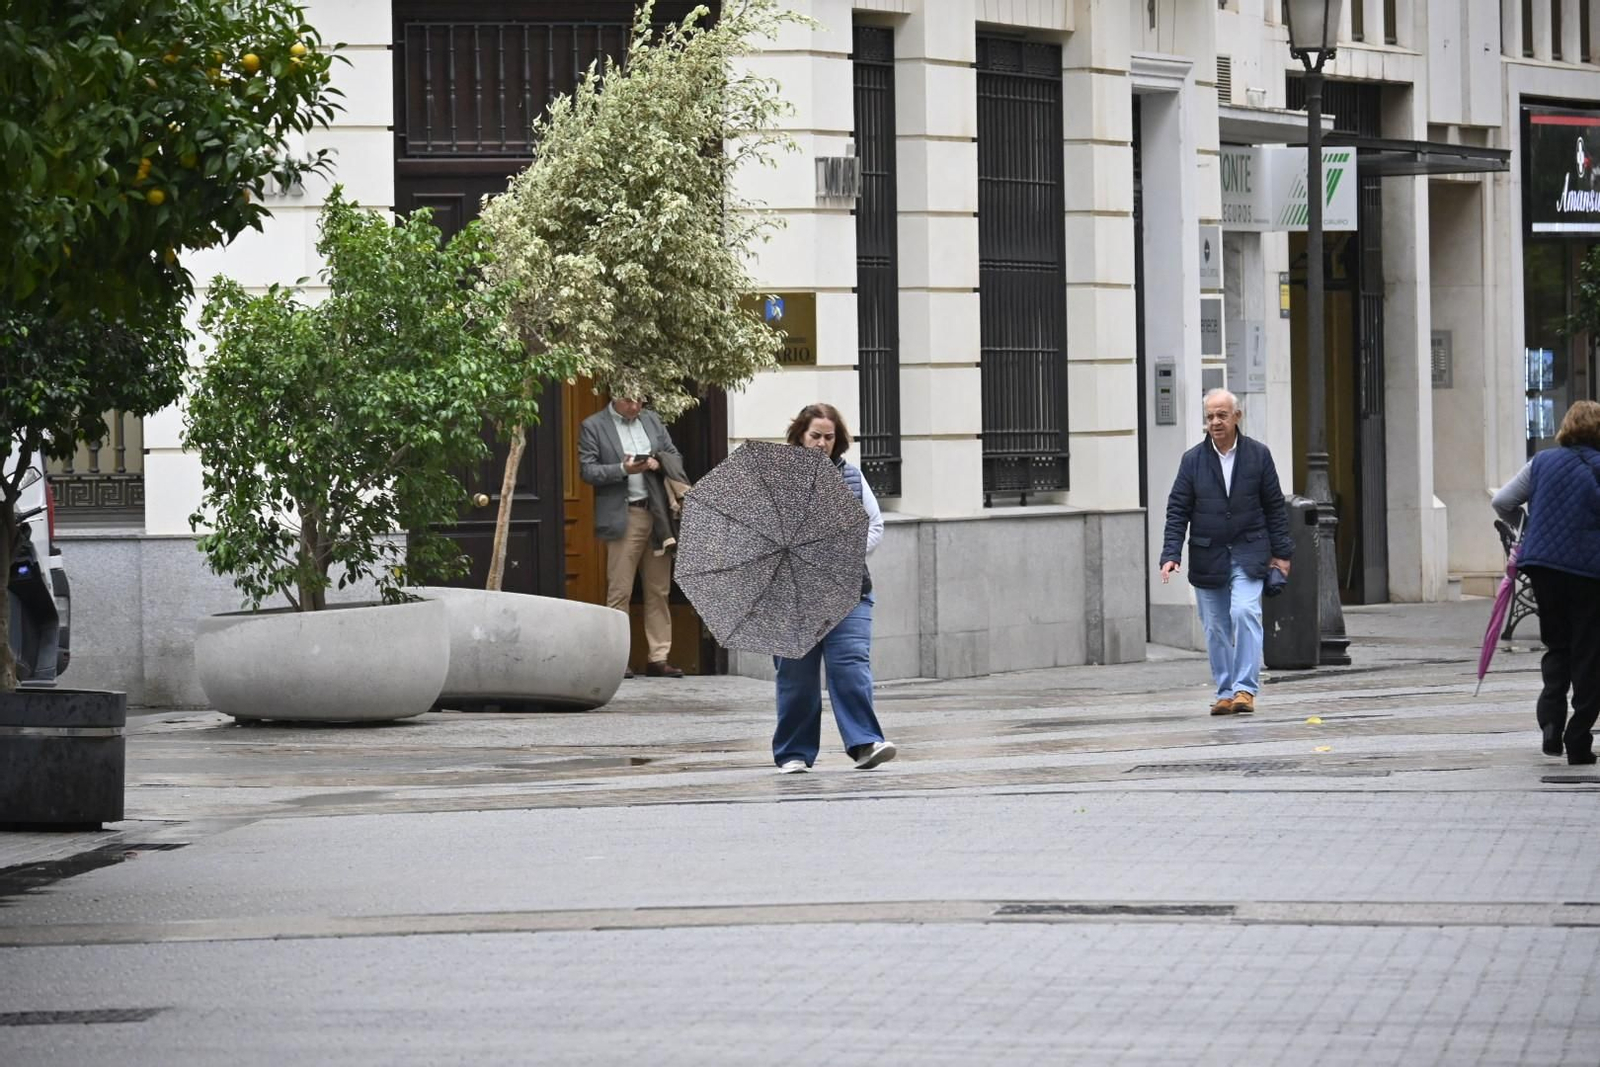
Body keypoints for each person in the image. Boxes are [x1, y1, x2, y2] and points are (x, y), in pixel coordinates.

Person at [772, 403, 897, 773]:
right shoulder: (779, 481)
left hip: (848, 590)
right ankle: (794, 753)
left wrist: (840, 552)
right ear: (799, 435)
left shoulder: (853, 478)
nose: (822, 443)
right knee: (796, 677)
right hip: (792, 595)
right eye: (815, 436)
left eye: (829, 437)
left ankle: (865, 744)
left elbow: (874, 526)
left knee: (850, 666)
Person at [1159, 388, 1293, 716]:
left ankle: (1245, 690)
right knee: (1215, 625)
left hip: (1249, 552)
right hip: (1208, 554)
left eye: (1221, 415)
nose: (1215, 422)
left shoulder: (1258, 455)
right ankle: (1224, 691)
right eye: (1210, 417)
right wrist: (1170, 553)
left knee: (1245, 612)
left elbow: (1275, 507)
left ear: (1237, 417)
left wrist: (1282, 554)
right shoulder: (1192, 461)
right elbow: (1178, 509)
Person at [1490, 400, 1600, 764]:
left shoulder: (1541, 462)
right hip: (1589, 572)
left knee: (1557, 645)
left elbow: (1503, 501)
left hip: (1544, 568)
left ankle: (1551, 727)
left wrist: (1527, 526)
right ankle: (1578, 737)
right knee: (1589, 652)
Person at [578, 395, 684, 679]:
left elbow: (674, 455)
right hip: (626, 515)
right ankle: (618, 657)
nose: (635, 407)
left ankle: (658, 657)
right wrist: (623, 469)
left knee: (658, 590)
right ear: (615, 397)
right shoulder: (594, 426)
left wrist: (657, 462)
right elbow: (587, 470)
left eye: (640, 401)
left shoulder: (651, 420)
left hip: (658, 515)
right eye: (628, 401)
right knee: (620, 591)